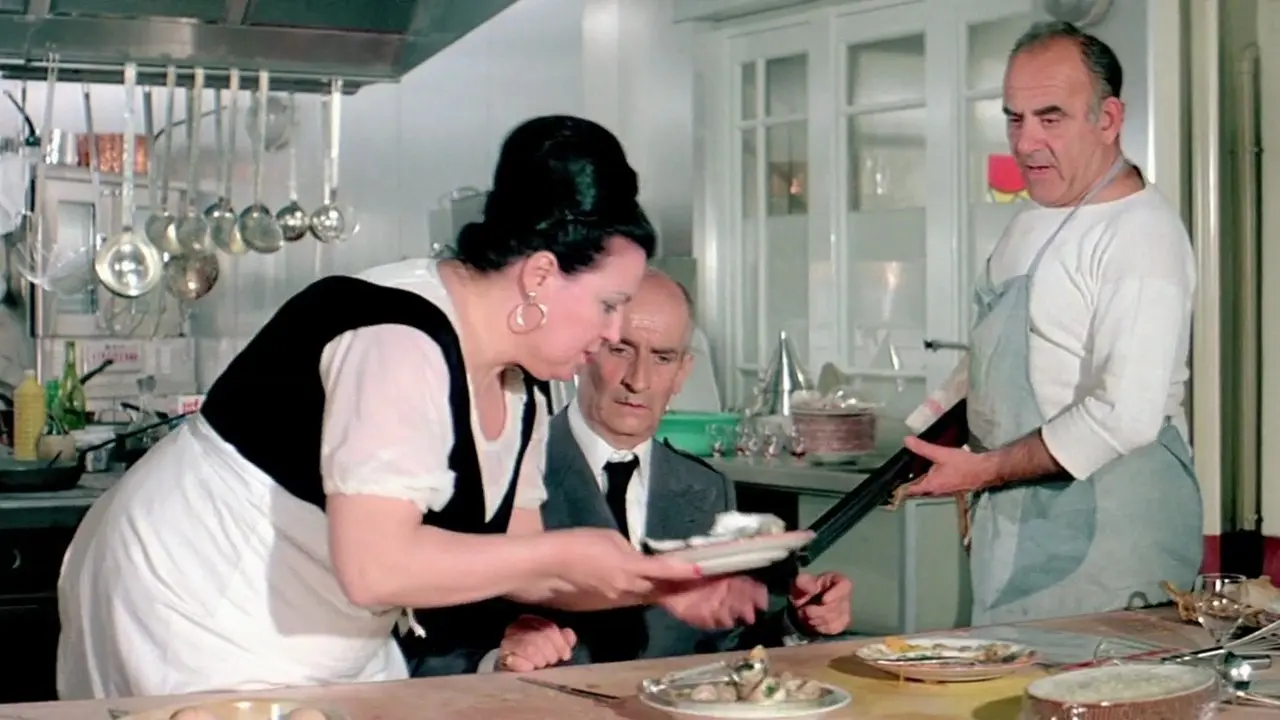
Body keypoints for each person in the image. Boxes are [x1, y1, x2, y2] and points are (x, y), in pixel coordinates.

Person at [55, 116, 764, 699]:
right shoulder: (398, 337)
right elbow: (376, 565)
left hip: (327, 623)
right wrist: (572, 550)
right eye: (609, 304)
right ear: (541, 276)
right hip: (198, 597)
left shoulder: (526, 383)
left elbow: (520, 564)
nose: (613, 333)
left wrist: (657, 584)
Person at [400, 270, 852, 675]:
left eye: (663, 358)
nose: (639, 379)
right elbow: (419, 655)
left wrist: (798, 621)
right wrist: (495, 661)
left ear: (682, 372)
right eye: (621, 349)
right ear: (585, 350)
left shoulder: (706, 488)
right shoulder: (499, 471)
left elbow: (723, 657)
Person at [902, 22, 1202, 625]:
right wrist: (921, 439)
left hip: (1112, 544)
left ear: (1108, 119)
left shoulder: (1141, 235)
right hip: (1018, 531)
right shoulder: (1031, 222)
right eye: (1014, 119)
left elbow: (1124, 414)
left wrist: (984, 470)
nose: (1025, 142)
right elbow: (987, 360)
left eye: (1050, 117)